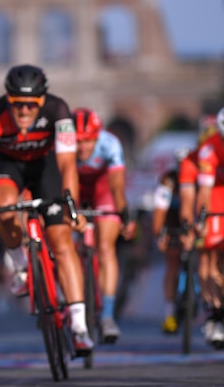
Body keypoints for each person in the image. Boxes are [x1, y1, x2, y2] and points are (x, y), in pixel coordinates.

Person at [0, 64, 94, 356]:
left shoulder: (59, 109)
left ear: (42, 100)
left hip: (46, 166)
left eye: (30, 105)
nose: (24, 111)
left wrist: (72, 207)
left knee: (62, 242)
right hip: (7, 167)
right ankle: (19, 264)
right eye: (17, 105)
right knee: (4, 205)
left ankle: (79, 327)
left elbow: (67, 165)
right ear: (7, 98)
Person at [73, 107, 136, 343]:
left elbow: (117, 187)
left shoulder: (110, 144)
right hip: (75, 191)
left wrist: (124, 215)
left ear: (98, 136)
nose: (82, 148)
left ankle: (107, 316)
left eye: (88, 141)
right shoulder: (63, 145)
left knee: (106, 248)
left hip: (103, 191)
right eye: (78, 141)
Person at [191, 107, 224, 348]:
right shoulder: (209, 148)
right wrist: (201, 218)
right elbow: (203, 190)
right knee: (210, 256)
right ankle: (215, 311)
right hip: (216, 197)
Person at [151, 145, 192, 334]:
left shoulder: (198, 178)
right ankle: (169, 312)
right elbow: (160, 211)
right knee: (172, 263)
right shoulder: (168, 180)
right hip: (172, 220)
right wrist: (160, 234)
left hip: (193, 221)